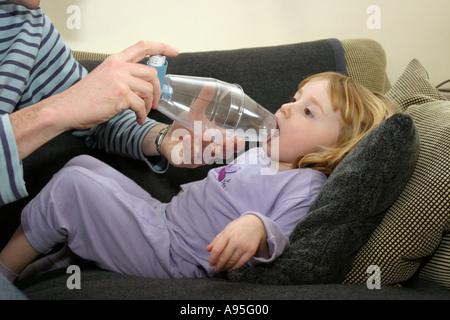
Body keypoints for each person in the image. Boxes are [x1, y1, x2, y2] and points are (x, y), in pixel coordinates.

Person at [0, 72, 394, 282]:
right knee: (81, 167)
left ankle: (5, 270)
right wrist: (191, 139)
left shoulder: (306, 183)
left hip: (176, 256)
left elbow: (287, 233)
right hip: (161, 219)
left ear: (336, 148)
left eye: (309, 112)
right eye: (295, 98)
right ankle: (43, 263)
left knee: (73, 188)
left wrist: (256, 226)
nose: (287, 108)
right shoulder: (264, 151)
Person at [0, 1, 226, 207]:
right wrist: (57, 111)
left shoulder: (29, 26)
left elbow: (97, 121)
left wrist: (161, 137)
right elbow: (70, 105)